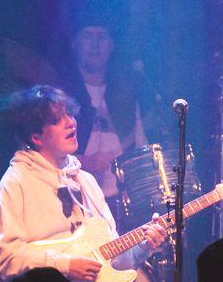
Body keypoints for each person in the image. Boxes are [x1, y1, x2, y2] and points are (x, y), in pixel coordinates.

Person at [0, 85, 166, 282]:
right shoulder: (17, 180)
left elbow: (112, 261)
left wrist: (142, 247)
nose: (71, 122)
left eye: (69, 114)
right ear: (36, 137)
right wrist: (65, 265)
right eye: (57, 120)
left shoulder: (86, 181)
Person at [63, 24, 157, 202]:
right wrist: (85, 161)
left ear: (111, 45)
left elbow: (141, 148)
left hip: (122, 199)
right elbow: (43, 157)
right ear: (75, 45)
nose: (95, 44)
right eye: (88, 36)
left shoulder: (126, 95)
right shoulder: (61, 96)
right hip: (73, 197)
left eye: (102, 36)